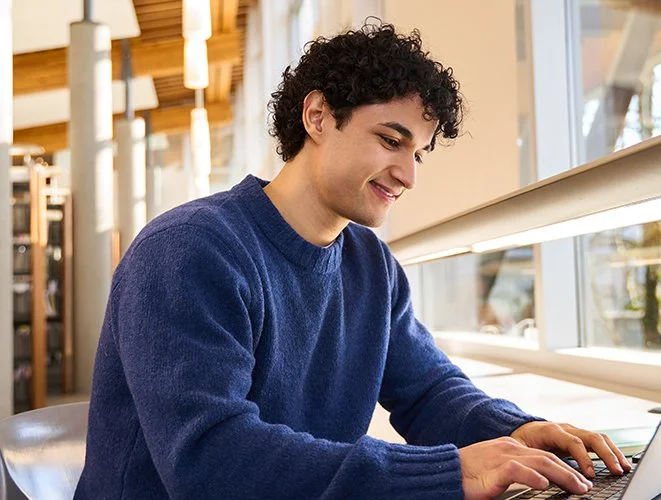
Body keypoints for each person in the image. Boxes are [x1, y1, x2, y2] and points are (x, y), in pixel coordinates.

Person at [75, 22, 631, 499]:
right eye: (391, 141)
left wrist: (521, 432)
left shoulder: (370, 265)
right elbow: (212, 461)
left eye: (417, 153)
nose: (409, 175)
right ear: (317, 116)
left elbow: (429, 392)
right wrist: (449, 472)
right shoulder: (189, 251)